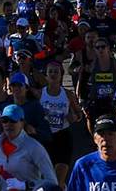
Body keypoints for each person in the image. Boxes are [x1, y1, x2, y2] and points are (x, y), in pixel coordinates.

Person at [0, 103, 58, 191]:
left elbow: (52, 183)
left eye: (13, 120)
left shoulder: (34, 147)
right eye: (5, 120)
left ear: (22, 122)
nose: (8, 124)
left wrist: (26, 185)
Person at [39, 59, 84, 188]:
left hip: (62, 136)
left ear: (61, 74)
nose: (53, 74)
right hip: (45, 137)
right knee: (47, 178)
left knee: (59, 178)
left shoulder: (68, 94)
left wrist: (74, 117)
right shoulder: (40, 94)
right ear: (46, 75)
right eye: (50, 72)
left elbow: (79, 114)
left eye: (56, 72)